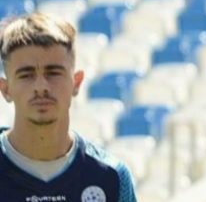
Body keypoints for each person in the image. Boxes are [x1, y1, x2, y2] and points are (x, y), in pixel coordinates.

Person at [0, 12, 137, 202]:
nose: (41, 86)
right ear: (6, 89)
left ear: (76, 82)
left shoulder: (111, 177)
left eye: (53, 73)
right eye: (26, 75)